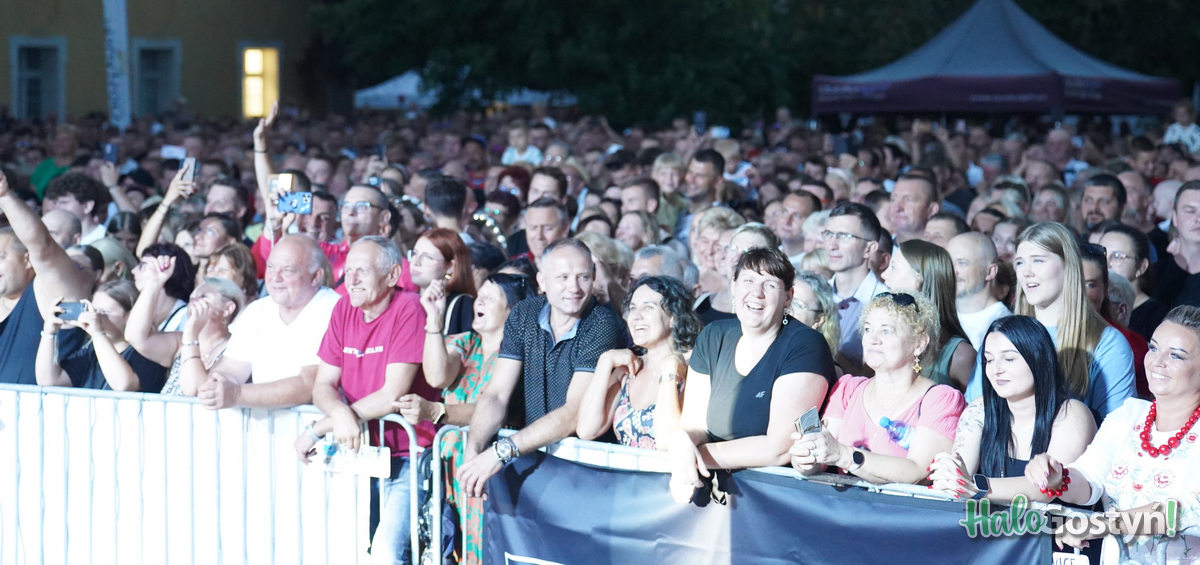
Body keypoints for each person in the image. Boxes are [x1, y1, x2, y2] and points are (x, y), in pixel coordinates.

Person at [293, 236, 438, 563]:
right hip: (361, 452)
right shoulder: (343, 307)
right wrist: (340, 414)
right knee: (355, 551)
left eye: (364, 271)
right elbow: (323, 385)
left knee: (388, 554)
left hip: (408, 454)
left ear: (392, 275)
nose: (352, 279)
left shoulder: (409, 308)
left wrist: (322, 426)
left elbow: (392, 394)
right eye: (349, 270)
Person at [1026, 306, 1200, 562]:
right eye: (1153, 348)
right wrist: (1057, 477)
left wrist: (1100, 525)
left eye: (1176, 355)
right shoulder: (1129, 415)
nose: (1157, 361)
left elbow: (1181, 511)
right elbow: (1088, 479)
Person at [457, 239, 628, 498]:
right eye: (563, 277)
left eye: (583, 277)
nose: (574, 287)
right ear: (542, 281)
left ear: (594, 278)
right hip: (533, 462)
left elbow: (573, 412)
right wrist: (473, 451)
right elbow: (496, 394)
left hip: (584, 474)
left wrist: (500, 452)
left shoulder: (601, 324)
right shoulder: (524, 314)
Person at [669, 248, 836, 503]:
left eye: (770, 284)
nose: (757, 293)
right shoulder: (713, 335)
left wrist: (692, 457)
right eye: (748, 281)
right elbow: (695, 424)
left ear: (788, 297)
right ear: (733, 287)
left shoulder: (805, 344)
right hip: (716, 498)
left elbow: (778, 449)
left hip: (778, 501)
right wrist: (683, 442)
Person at [397, 272, 532, 565]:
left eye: (489, 298)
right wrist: (434, 321)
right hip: (452, 468)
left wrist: (437, 412)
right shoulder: (465, 342)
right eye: (478, 296)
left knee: (487, 549)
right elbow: (437, 377)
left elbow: (496, 407)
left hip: (492, 471)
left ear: (512, 311)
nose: (478, 302)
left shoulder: (518, 356)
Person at [790, 292, 966, 484]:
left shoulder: (941, 400)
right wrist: (806, 458)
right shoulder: (849, 389)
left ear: (919, 343)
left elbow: (917, 471)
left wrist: (844, 455)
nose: (873, 339)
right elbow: (822, 457)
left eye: (886, 331)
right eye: (868, 329)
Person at [978, 222, 1135, 423]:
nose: (1026, 272)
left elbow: (1116, 428)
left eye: (1038, 260)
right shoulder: (1000, 335)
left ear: (1068, 266)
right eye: (1020, 262)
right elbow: (976, 410)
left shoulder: (1107, 343)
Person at [929, 316, 1096, 503]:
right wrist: (949, 474)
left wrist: (975, 487)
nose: (996, 369)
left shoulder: (1072, 414)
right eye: (989, 360)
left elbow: (1047, 488)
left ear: (1038, 359)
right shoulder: (979, 409)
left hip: (1053, 521)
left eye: (1009, 359)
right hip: (985, 520)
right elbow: (961, 472)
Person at [191, 235, 340, 409]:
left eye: (288, 270)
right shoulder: (257, 310)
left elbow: (309, 385)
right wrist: (216, 385)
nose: (275, 277)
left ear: (315, 276)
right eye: (270, 267)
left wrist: (236, 394)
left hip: (314, 426)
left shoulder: (335, 310)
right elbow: (231, 369)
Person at [577, 276, 700, 449]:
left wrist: (671, 367)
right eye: (633, 308)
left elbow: (671, 441)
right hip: (626, 467)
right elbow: (586, 431)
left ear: (674, 317)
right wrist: (605, 362)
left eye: (648, 308)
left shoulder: (693, 367)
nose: (636, 317)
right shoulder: (627, 369)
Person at [0, 170, 93, 384]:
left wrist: (4, 196)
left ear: (27, 260)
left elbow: (43, 248)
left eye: (1, 256)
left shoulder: (48, 293)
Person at [36, 280, 168, 392]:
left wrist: (97, 333)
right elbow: (49, 381)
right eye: (93, 310)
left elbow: (124, 385)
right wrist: (49, 333)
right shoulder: (92, 351)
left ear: (130, 316)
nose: (95, 316)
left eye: (104, 312)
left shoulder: (148, 350)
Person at [883, 239, 977, 389]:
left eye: (893, 267)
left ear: (918, 279)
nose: (884, 274)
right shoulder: (885, 337)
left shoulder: (959, 355)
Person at [131, 276, 244, 396]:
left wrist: (191, 334)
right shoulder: (180, 342)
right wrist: (154, 283)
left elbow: (194, 390)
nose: (193, 303)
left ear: (227, 309)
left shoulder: (235, 349)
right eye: (192, 299)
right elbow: (136, 338)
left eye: (203, 297)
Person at [824, 202, 888, 374]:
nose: (832, 245)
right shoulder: (816, 295)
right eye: (828, 234)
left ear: (869, 248)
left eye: (844, 236)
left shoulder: (887, 304)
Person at [695, 223, 780, 326]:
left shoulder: (769, 309)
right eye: (733, 249)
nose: (737, 258)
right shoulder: (703, 302)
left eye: (749, 252)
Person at [1098, 223, 1170, 341]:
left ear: (1141, 267)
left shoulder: (1158, 318)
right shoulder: (1093, 306)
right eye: (1101, 254)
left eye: (1117, 256)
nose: (1106, 264)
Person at [948, 233, 1012, 350]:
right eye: (948, 262)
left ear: (990, 272)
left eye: (962, 263)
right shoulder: (939, 317)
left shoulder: (1006, 327)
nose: (951, 271)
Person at [410, 228, 476, 335]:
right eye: (414, 253)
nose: (415, 262)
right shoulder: (405, 298)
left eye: (427, 257)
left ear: (450, 267)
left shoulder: (463, 304)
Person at [791, 270, 841, 363]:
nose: (788, 308)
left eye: (798, 304)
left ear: (818, 319)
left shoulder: (814, 362)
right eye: (787, 298)